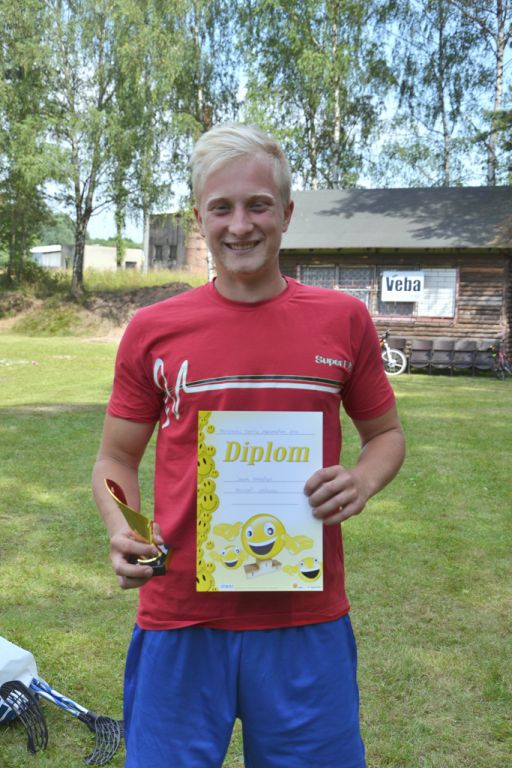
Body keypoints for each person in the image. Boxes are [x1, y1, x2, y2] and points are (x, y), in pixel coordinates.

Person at [92, 123, 405, 768]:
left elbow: (385, 436)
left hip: (304, 616)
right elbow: (116, 458)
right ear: (199, 218)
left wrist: (362, 480)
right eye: (222, 208)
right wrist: (126, 529)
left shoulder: (343, 319)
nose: (240, 225)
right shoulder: (154, 329)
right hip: (181, 613)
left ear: (286, 213)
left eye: (258, 205)